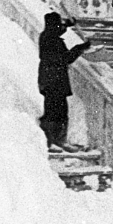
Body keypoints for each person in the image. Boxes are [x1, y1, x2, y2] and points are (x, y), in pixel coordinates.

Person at [37, 12, 92, 148]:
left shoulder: (47, 36)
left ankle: (54, 140)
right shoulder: (52, 40)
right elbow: (66, 58)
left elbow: (58, 30)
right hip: (54, 81)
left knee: (54, 110)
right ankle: (53, 141)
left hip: (49, 81)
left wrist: (68, 24)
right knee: (56, 112)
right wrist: (80, 48)